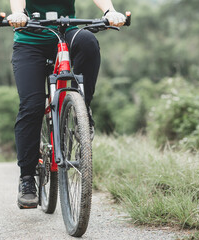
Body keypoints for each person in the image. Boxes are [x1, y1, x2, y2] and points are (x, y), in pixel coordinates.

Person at [7, 0, 126, 209]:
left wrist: (110, 10)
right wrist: (18, 14)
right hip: (30, 39)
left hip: (65, 32)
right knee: (32, 105)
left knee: (88, 41)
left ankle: (82, 108)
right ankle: (27, 179)